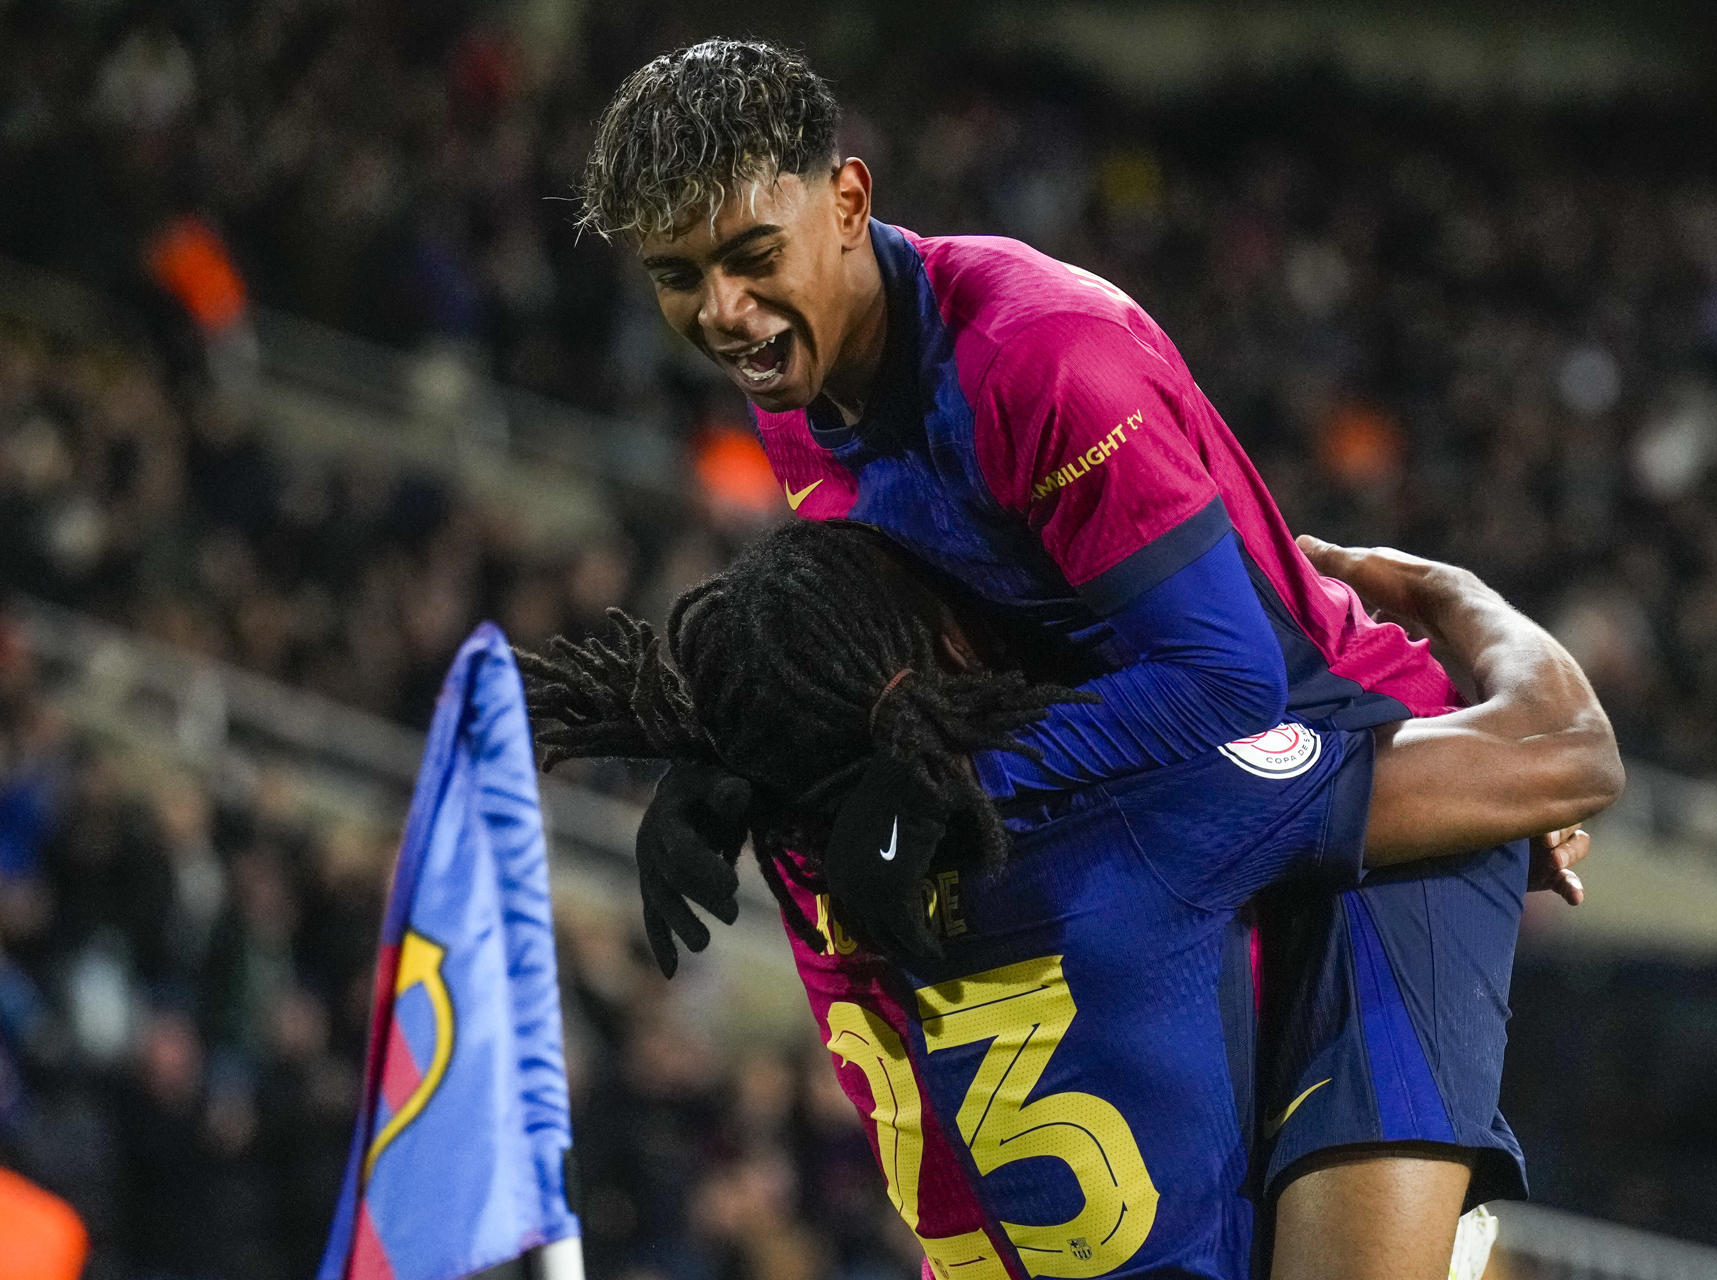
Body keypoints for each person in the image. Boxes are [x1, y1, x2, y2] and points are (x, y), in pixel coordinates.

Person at [576, 39, 1608, 1277]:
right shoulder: (792, 381)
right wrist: (738, 761)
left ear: (847, 201)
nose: (724, 313)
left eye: (751, 258)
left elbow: (1231, 684)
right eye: (677, 277)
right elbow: (905, 642)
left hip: (1341, 773)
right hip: (1184, 812)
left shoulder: (1040, 356)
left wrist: (962, 787)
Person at [522, 520, 1620, 1280]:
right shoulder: (1138, 813)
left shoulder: (810, 868)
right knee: (1436, 873)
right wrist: (1445, 592)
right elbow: (1568, 750)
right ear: (938, 654)